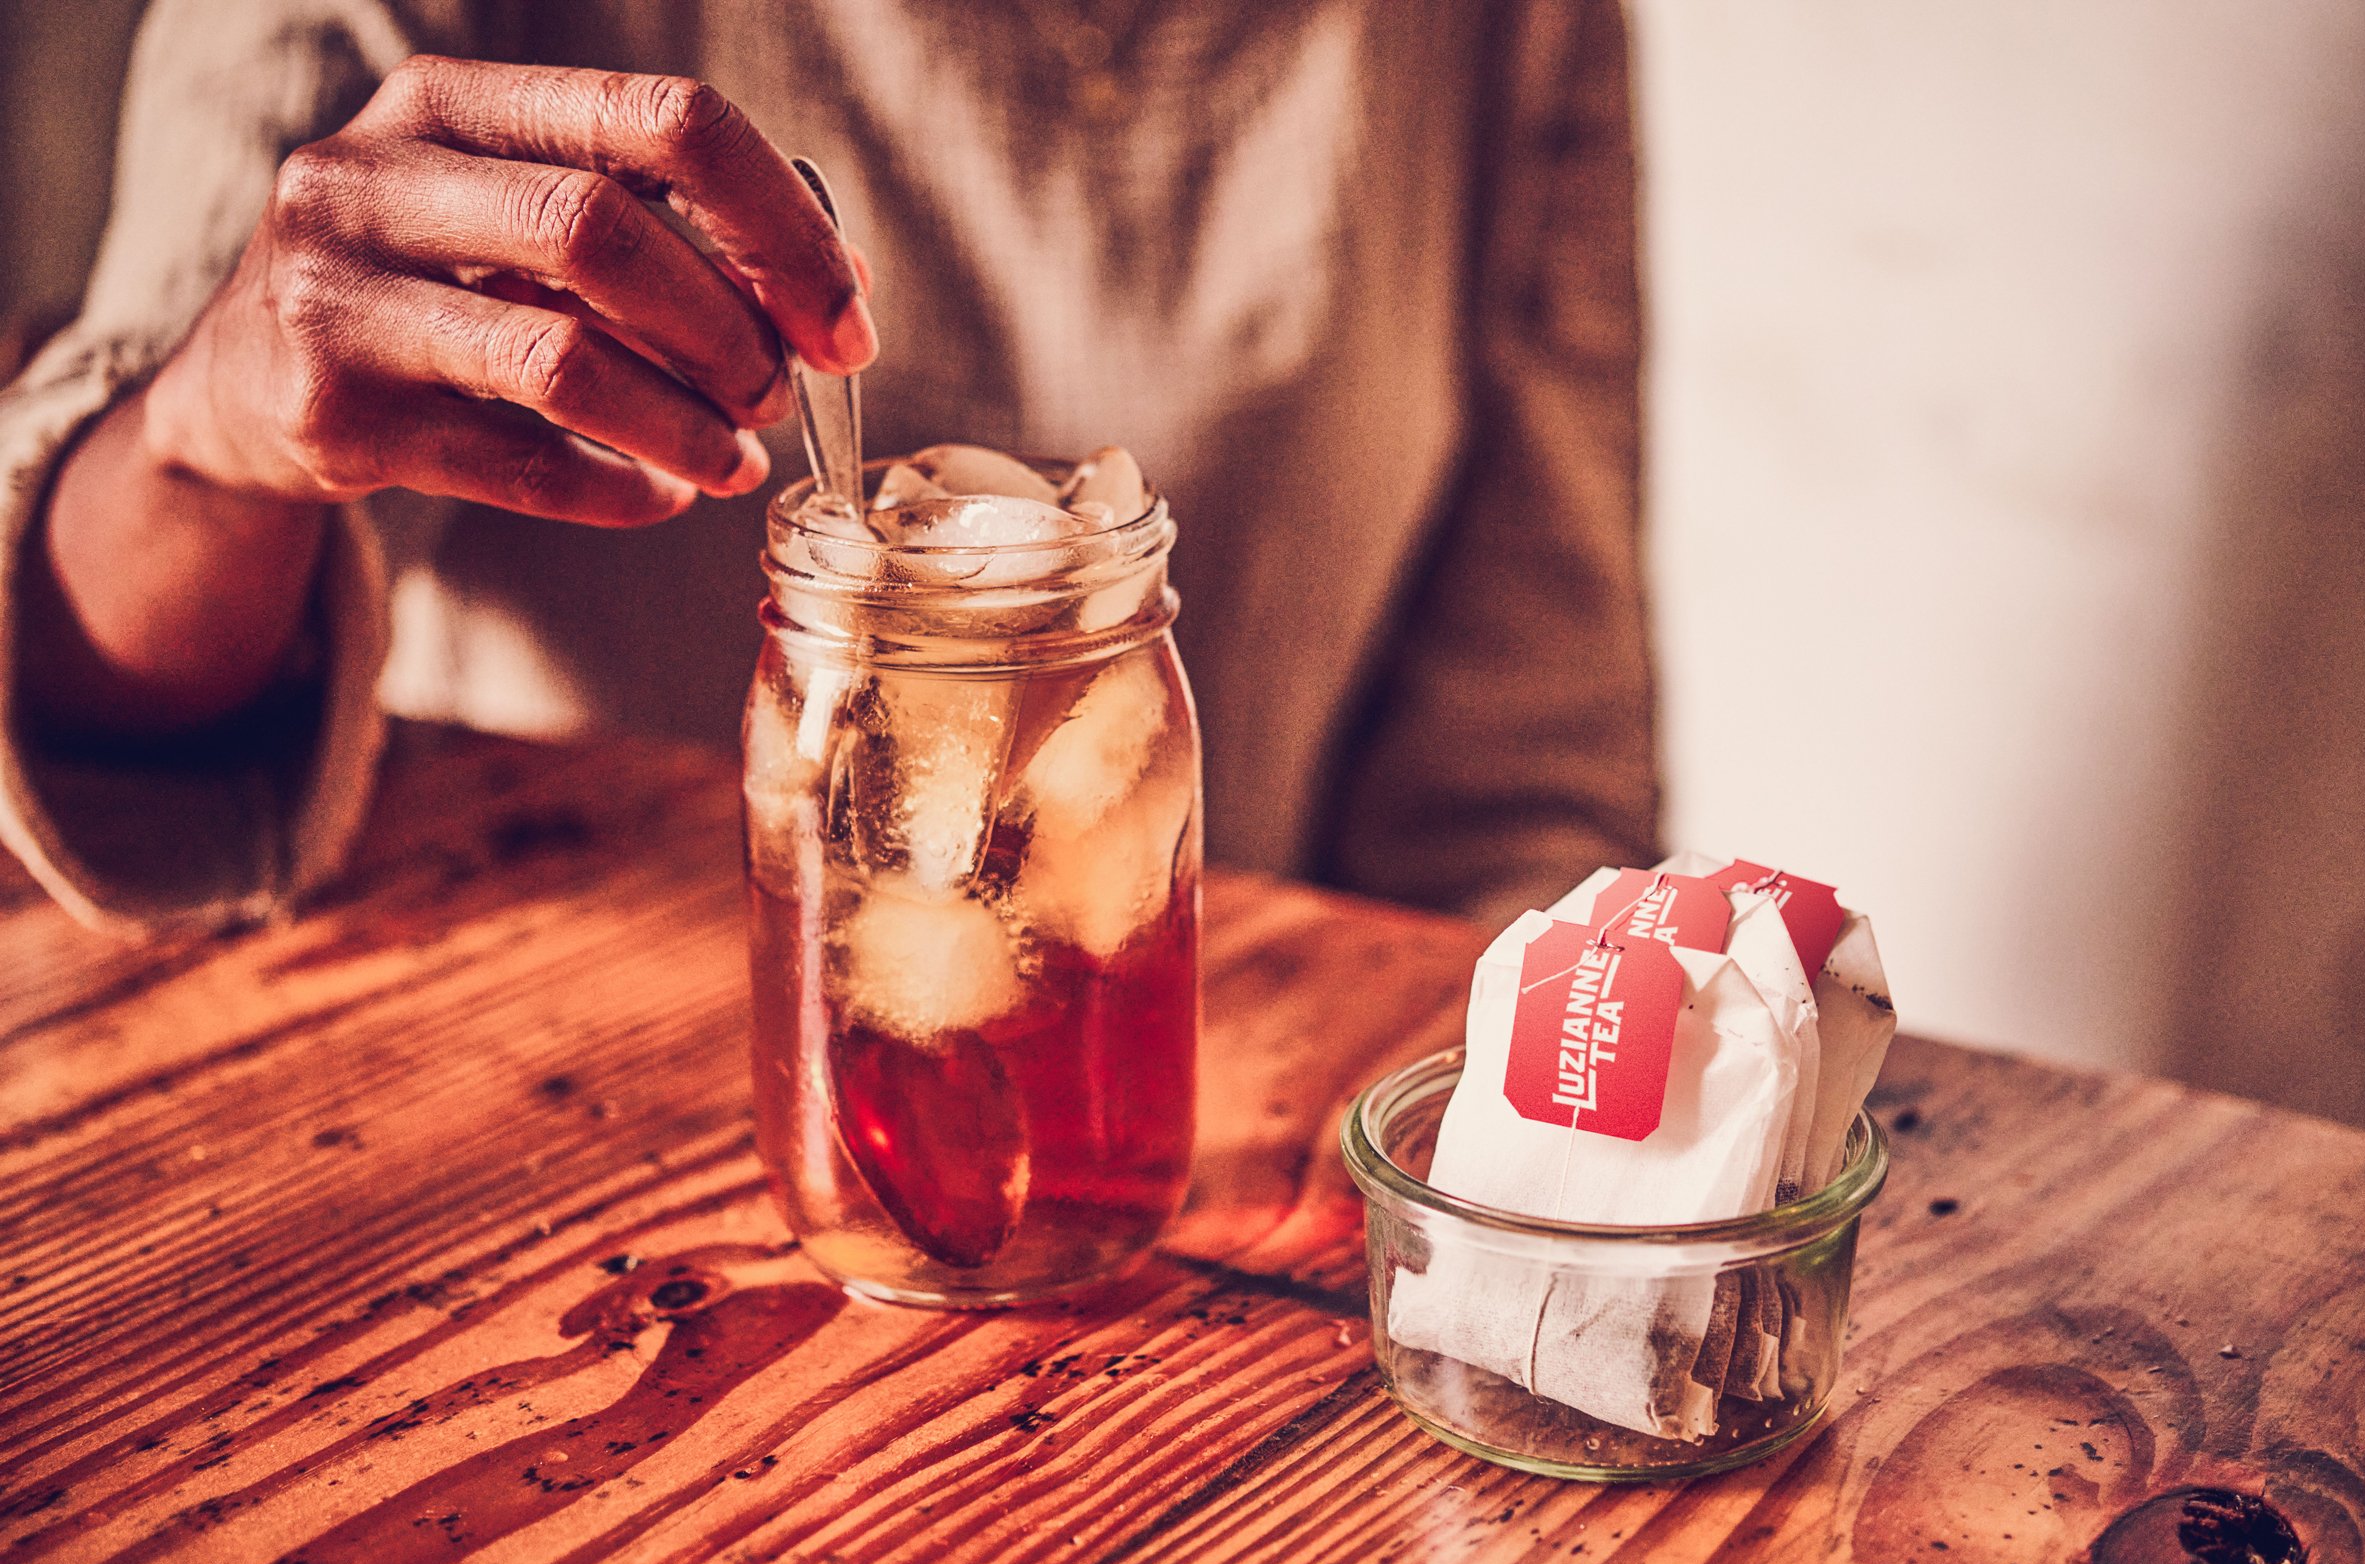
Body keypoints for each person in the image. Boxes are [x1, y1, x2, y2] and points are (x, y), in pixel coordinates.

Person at [0, 0, 1656, 934]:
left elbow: (1513, 796)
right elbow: (86, 716)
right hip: (484, 1088)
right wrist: (210, 449)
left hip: (1200, 1197)